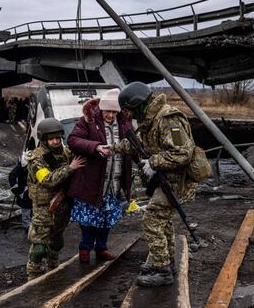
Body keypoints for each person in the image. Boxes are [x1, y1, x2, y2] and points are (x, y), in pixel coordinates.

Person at [117, 81, 198, 286]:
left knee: (152, 221)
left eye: (129, 111)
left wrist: (153, 162)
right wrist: (110, 148)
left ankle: (162, 271)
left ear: (138, 104)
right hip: (165, 181)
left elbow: (183, 153)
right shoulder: (150, 120)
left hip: (176, 182)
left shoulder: (168, 119)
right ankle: (167, 261)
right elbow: (138, 143)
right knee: (163, 222)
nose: (129, 116)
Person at [66, 88, 134, 263]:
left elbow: (133, 142)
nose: (110, 115)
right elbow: (73, 140)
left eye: (114, 111)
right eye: (107, 111)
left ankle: (102, 248)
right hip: (92, 181)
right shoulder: (87, 121)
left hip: (114, 182)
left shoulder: (125, 123)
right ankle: (85, 248)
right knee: (89, 218)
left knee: (107, 217)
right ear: (101, 109)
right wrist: (95, 147)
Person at [25, 118, 86, 281]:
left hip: (63, 205)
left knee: (57, 241)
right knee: (39, 246)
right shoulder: (36, 159)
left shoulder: (66, 153)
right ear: (43, 139)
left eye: (58, 138)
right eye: (51, 138)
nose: (55, 141)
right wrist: (70, 168)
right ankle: (33, 275)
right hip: (44, 207)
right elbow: (48, 180)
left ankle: (54, 269)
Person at [8, 155, 32, 233]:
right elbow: (12, 175)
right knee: (26, 207)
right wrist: (16, 189)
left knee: (32, 208)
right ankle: (27, 227)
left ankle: (32, 225)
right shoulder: (22, 165)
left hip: (35, 189)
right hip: (24, 190)